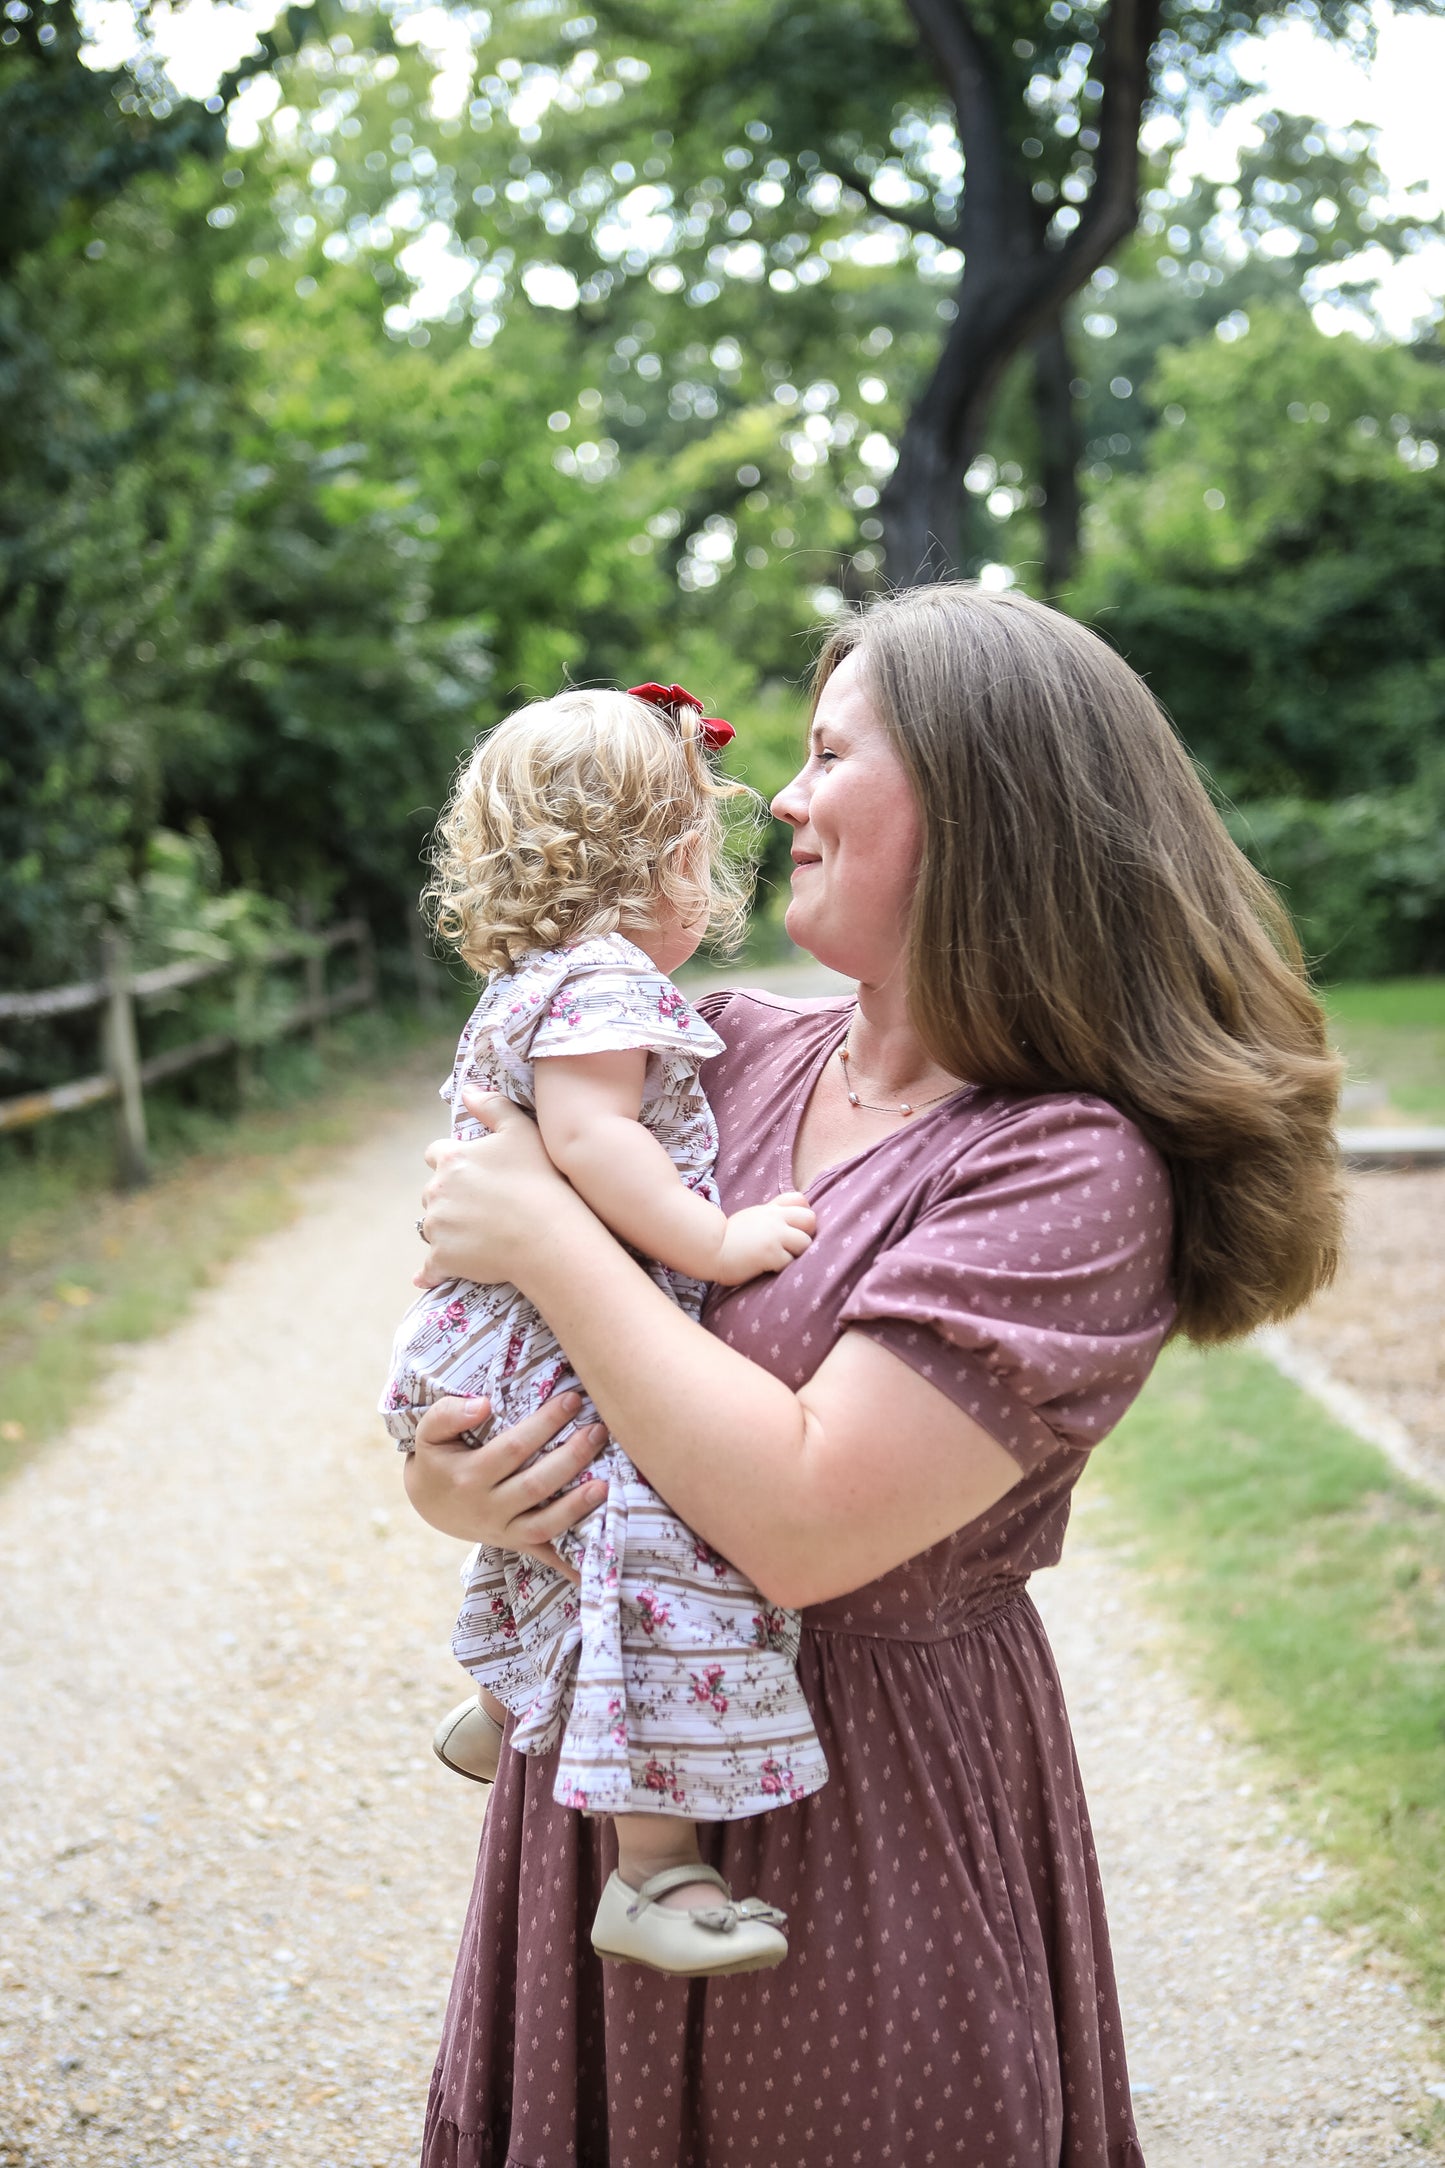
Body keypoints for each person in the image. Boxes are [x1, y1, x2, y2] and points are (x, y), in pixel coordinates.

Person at [404, 584, 1343, 2168]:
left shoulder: (1064, 1167)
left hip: (864, 1820)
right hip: (613, 1755)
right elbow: (496, 1291)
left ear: (982, 804)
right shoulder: (723, 1058)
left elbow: (800, 1522)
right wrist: (456, 1478)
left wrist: (546, 1243)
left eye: (826, 753)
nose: (776, 798)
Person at [382, 682, 826, 1981]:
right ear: (667, 861)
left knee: (576, 1526)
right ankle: (653, 1870)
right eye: (701, 847)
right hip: (523, 1340)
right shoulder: (603, 985)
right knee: (652, 1546)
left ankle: (503, 1701)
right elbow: (589, 1146)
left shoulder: (534, 978)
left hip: (476, 1339)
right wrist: (720, 1244)